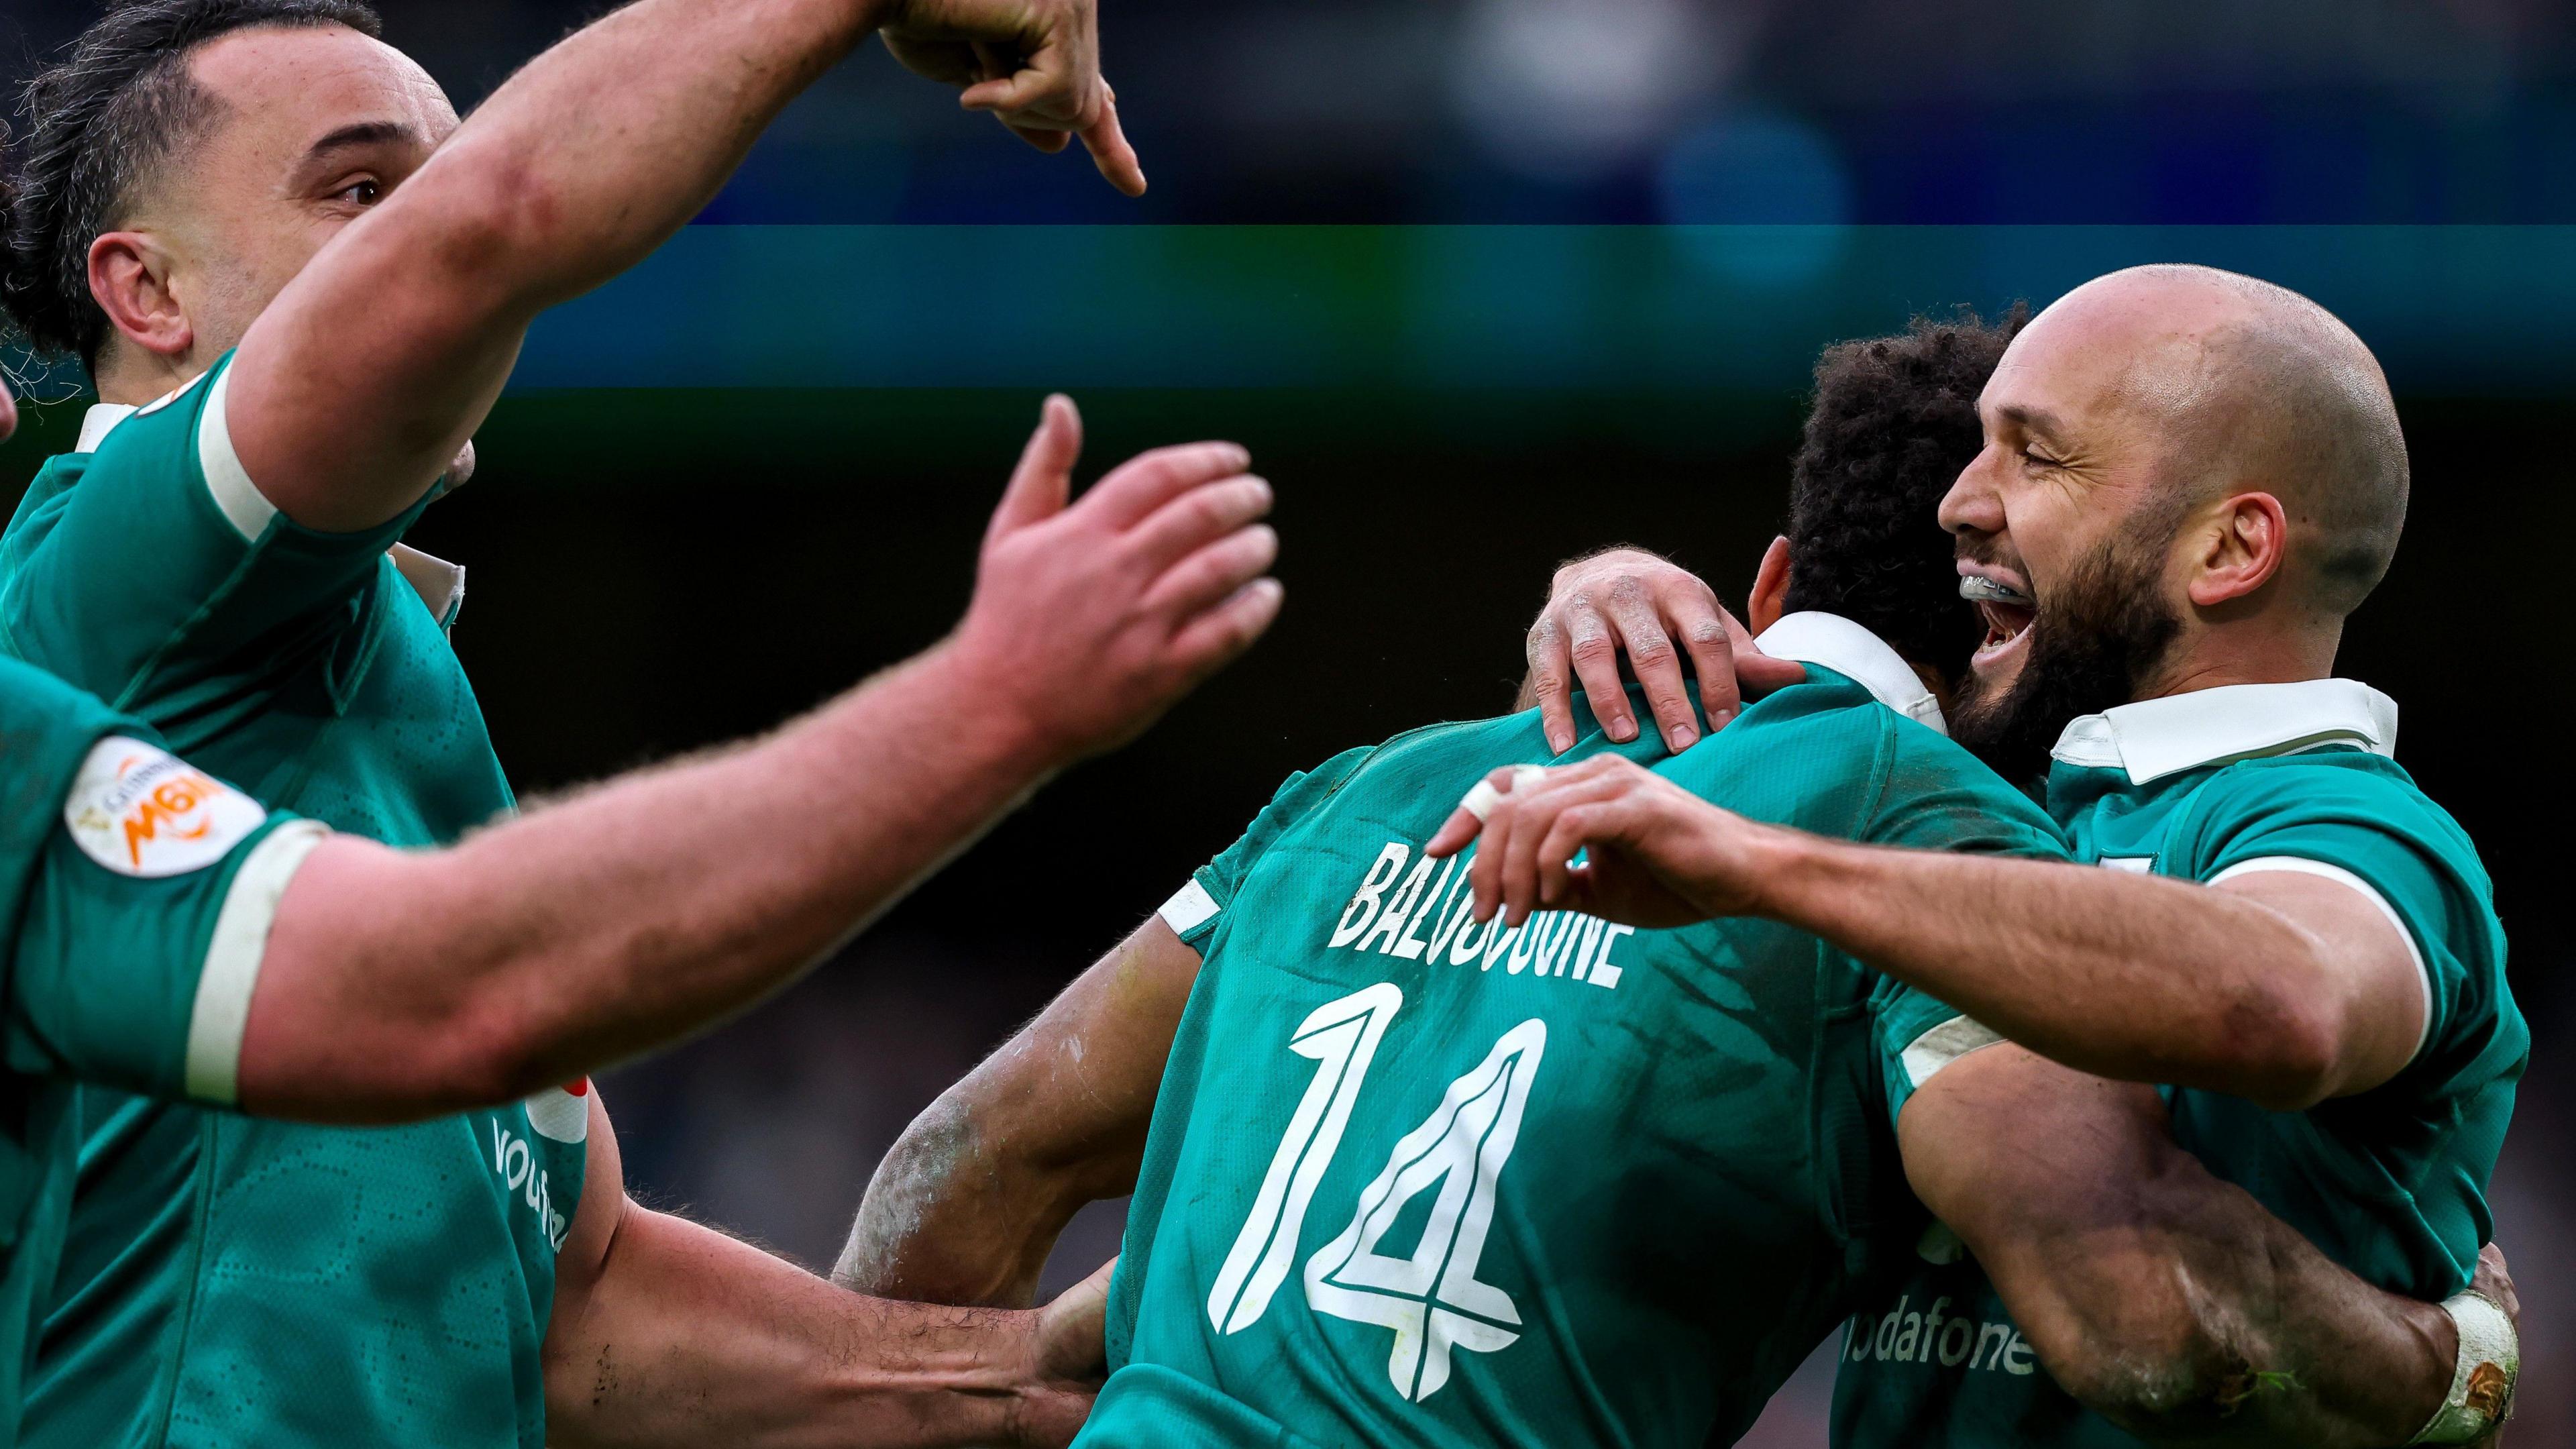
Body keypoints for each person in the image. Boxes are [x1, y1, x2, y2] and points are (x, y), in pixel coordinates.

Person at [839, 314, 2510, 1448]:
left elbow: (965, 1170)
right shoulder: (1916, 819)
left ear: (1766, 586)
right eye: (1980, 458)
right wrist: (2457, 1372)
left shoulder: (1381, 783)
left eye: (2039, 461)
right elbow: (2139, 1316)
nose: (1972, 501)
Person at [0, 1, 1277, 1446]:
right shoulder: (121, 573)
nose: (429, 230)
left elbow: (583, 1304)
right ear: (146, 293)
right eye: (360, 191)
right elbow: (492, 228)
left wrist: (1025, 1381)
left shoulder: (372, 693)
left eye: (441, 178)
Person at [1507, 266, 2523, 1446]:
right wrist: (1607, 592)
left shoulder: (2347, 827)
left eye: (2036, 457)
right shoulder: (2005, 797)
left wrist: (1761, 859)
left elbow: (2281, 998)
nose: (1958, 501)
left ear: (2231, 549)